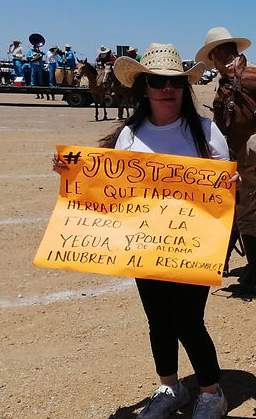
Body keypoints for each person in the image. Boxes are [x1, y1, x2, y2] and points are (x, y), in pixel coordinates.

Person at [56, 43, 231, 419]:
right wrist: (70, 170)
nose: (166, 89)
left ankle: (212, 392)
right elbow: (109, 185)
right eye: (157, 81)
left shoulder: (205, 130)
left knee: (188, 319)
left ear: (184, 87)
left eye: (174, 82)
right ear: (144, 86)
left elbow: (224, 188)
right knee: (158, 319)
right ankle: (171, 385)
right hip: (143, 242)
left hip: (191, 243)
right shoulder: (129, 134)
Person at [195, 26, 256, 291]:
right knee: (235, 202)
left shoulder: (247, 74)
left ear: (219, 52)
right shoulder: (243, 72)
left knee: (243, 206)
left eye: (215, 57)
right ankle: (222, 261)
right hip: (249, 145)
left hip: (249, 146)